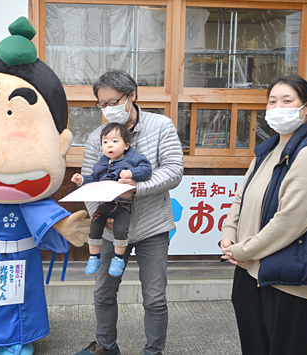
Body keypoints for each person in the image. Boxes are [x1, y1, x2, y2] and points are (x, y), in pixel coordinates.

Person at [219, 75, 307, 355]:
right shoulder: (268, 150)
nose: (277, 107)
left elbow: (289, 223)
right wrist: (228, 235)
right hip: (249, 270)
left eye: (288, 100)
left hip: (285, 276)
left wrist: (243, 249)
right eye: (272, 101)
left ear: (306, 108)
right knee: (255, 347)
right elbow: (241, 198)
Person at [75, 70, 184, 355]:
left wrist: (137, 188)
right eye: (102, 104)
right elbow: (89, 180)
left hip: (153, 225)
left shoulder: (161, 125)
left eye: (113, 101)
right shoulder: (96, 136)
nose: (108, 109)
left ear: (132, 95)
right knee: (103, 292)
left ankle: (153, 352)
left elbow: (174, 171)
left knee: (155, 297)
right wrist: (102, 216)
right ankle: (106, 346)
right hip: (111, 228)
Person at [71, 122, 152, 277]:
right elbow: (93, 179)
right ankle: (94, 257)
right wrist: (81, 180)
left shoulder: (134, 158)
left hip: (123, 206)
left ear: (126, 145)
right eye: (105, 142)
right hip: (104, 205)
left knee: (121, 231)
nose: (110, 145)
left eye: (115, 141)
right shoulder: (102, 162)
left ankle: (118, 259)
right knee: (94, 227)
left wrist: (131, 173)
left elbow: (147, 170)